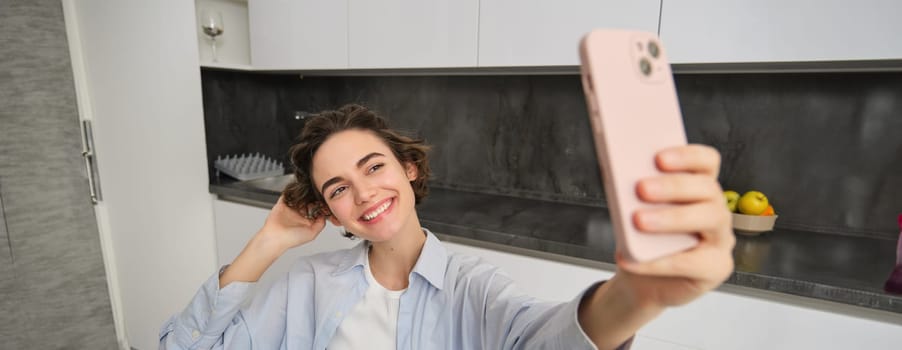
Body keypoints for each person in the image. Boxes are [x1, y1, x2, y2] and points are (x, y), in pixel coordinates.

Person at [159, 104, 734, 350]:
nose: (364, 195)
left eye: (374, 167)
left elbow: (542, 340)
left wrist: (634, 294)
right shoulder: (304, 285)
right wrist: (269, 241)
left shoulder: (472, 288)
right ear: (330, 212)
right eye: (338, 189)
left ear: (409, 169)